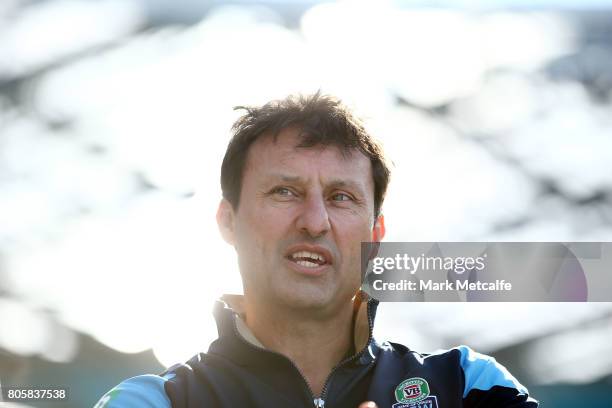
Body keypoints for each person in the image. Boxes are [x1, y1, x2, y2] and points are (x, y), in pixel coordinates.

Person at [94, 93, 538, 408]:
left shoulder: (468, 385)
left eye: (341, 196)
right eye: (285, 191)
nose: (315, 220)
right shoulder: (156, 400)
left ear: (375, 234)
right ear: (228, 221)